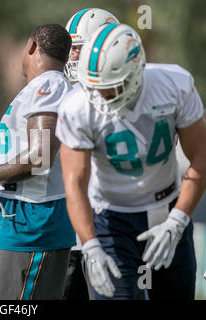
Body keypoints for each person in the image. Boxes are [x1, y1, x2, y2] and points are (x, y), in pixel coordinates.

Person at [56, 23, 206, 299]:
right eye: (94, 87)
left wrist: (178, 219)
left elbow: (201, 156)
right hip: (111, 220)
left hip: (168, 207)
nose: (99, 97)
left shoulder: (174, 86)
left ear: (135, 74)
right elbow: (75, 183)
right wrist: (90, 245)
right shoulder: (77, 106)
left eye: (110, 88)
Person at [0, 24, 76, 300]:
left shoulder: (48, 85)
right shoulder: (41, 87)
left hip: (33, 222)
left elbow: (40, 157)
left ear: (31, 47)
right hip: (22, 218)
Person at [63, 8, 119, 300]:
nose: (72, 57)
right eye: (70, 49)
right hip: (72, 239)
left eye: (78, 49)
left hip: (115, 233)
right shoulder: (64, 96)